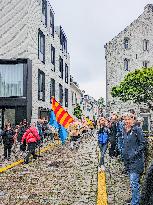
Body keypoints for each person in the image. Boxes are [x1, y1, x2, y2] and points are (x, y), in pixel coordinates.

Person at [122, 113, 146, 205]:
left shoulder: (137, 130)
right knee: (133, 183)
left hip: (136, 160)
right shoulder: (124, 129)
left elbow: (143, 144)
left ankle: (135, 202)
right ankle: (135, 199)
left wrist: (134, 153)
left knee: (134, 182)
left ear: (133, 120)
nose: (127, 121)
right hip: (128, 161)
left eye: (129, 119)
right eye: (125, 119)